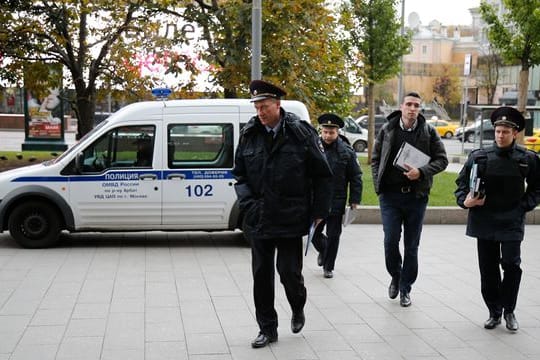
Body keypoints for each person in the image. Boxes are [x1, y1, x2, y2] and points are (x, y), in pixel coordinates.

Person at [232, 80, 333, 348]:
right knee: (261, 277)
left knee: (289, 274)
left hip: (291, 216)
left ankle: (297, 305)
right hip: (259, 217)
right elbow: (239, 175)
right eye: (257, 107)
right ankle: (267, 329)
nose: (260, 112)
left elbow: (322, 176)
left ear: (278, 105)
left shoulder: (301, 133)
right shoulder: (249, 134)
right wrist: (248, 205)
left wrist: (320, 212)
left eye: (264, 106)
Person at [455, 106, 540, 331]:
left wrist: (523, 206)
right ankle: (494, 312)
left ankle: (509, 310)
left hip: (511, 220)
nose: (500, 135)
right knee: (488, 270)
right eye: (497, 131)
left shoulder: (527, 159)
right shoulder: (479, 157)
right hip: (484, 221)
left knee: (512, 266)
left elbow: (537, 188)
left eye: (505, 132)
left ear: (515, 134)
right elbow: (461, 186)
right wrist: (466, 201)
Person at [371, 91, 448, 307]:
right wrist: (378, 186)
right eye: (409, 104)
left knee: (411, 246)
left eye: (416, 105)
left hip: (416, 197)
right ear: (401, 106)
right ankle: (395, 275)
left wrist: (421, 172)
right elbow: (375, 159)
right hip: (390, 197)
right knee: (390, 241)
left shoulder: (428, 132)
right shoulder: (388, 129)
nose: (412, 109)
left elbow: (442, 160)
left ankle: (405, 288)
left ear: (419, 109)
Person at [313, 113, 363, 279]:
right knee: (314, 235)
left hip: (336, 200)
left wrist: (354, 200)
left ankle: (329, 266)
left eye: (331, 132)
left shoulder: (346, 151)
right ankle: (323, 249)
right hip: (317, 200)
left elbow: (356, 176)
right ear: (321, 131)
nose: (327, 135)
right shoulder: (313, 147)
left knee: (334, 235)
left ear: (338, 132)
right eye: (325, 132)